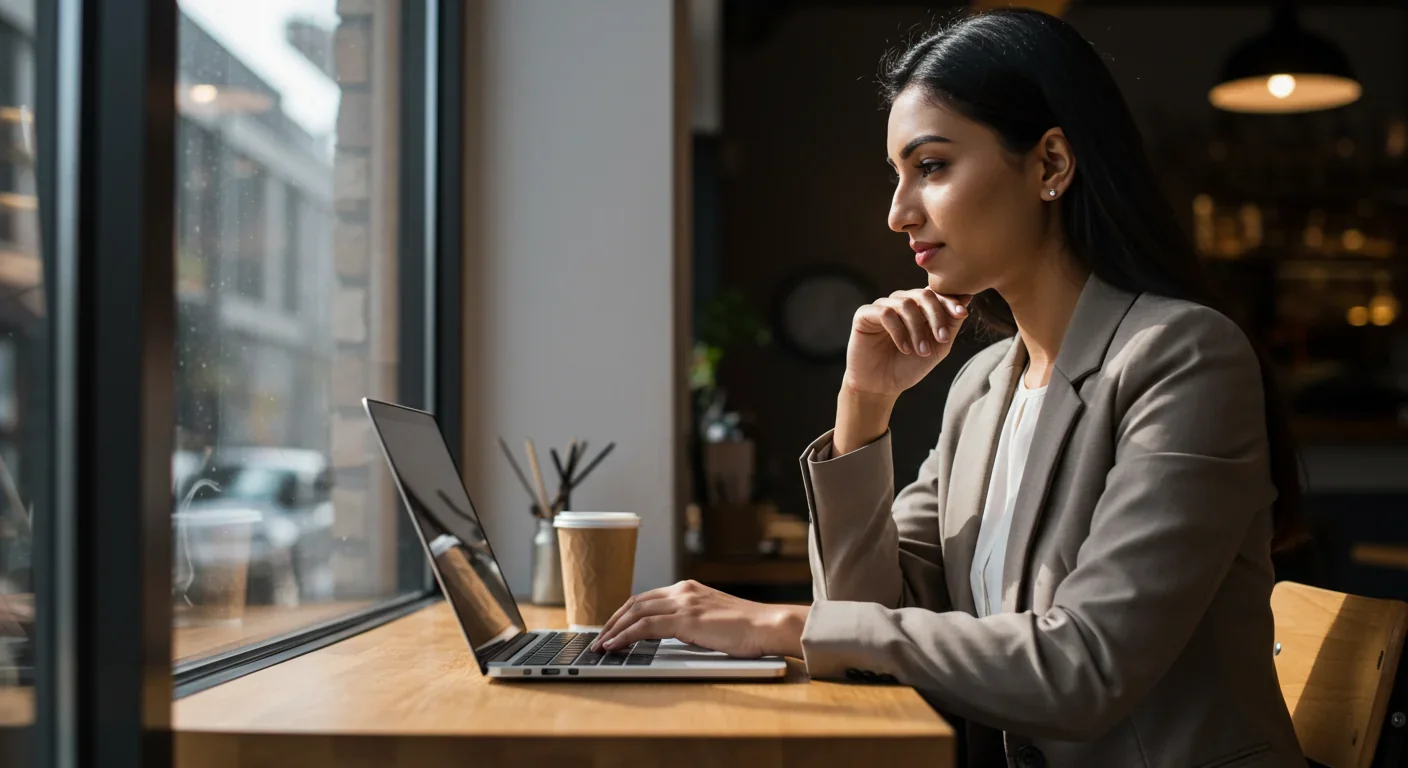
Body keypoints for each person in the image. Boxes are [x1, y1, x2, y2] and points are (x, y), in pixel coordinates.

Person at [591, 9, 1305, 767]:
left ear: (1051, 165)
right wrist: (862, 408)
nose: (898, 213)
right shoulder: (983, 387)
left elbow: (1086, 666)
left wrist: (774, 625)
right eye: (898, 175)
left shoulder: (1182, 358)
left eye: (930, 167)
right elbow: (869, 617)